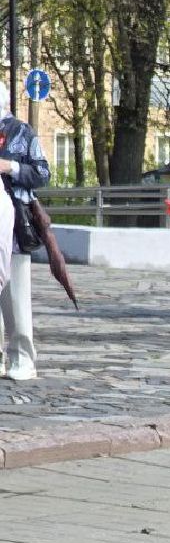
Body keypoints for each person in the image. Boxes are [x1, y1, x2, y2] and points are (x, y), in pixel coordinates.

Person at [0, 95, 51, 380]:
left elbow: (42, 173)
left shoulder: (21, 132)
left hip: (15, 226)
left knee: (15, 297)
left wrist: (11, 167)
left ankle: (22, 358)